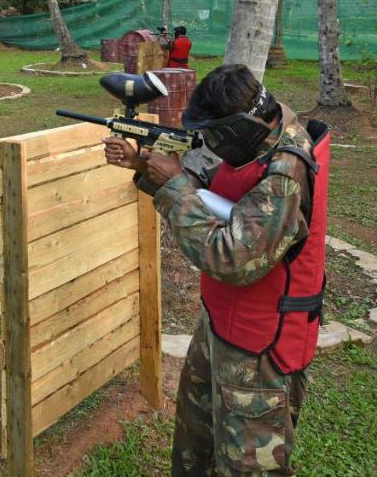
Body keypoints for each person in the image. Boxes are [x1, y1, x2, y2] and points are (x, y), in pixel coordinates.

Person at [102, 65, 329, 476]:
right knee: (196, 444)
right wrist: (144, 165)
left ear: (240, 127)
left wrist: (173, 188)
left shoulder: (285, 173)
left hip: (261, 350)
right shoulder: (262, 140)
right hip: (223, 325)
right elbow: (214, 192)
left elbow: (233, 259)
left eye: (215, 135)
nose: (209, 145)